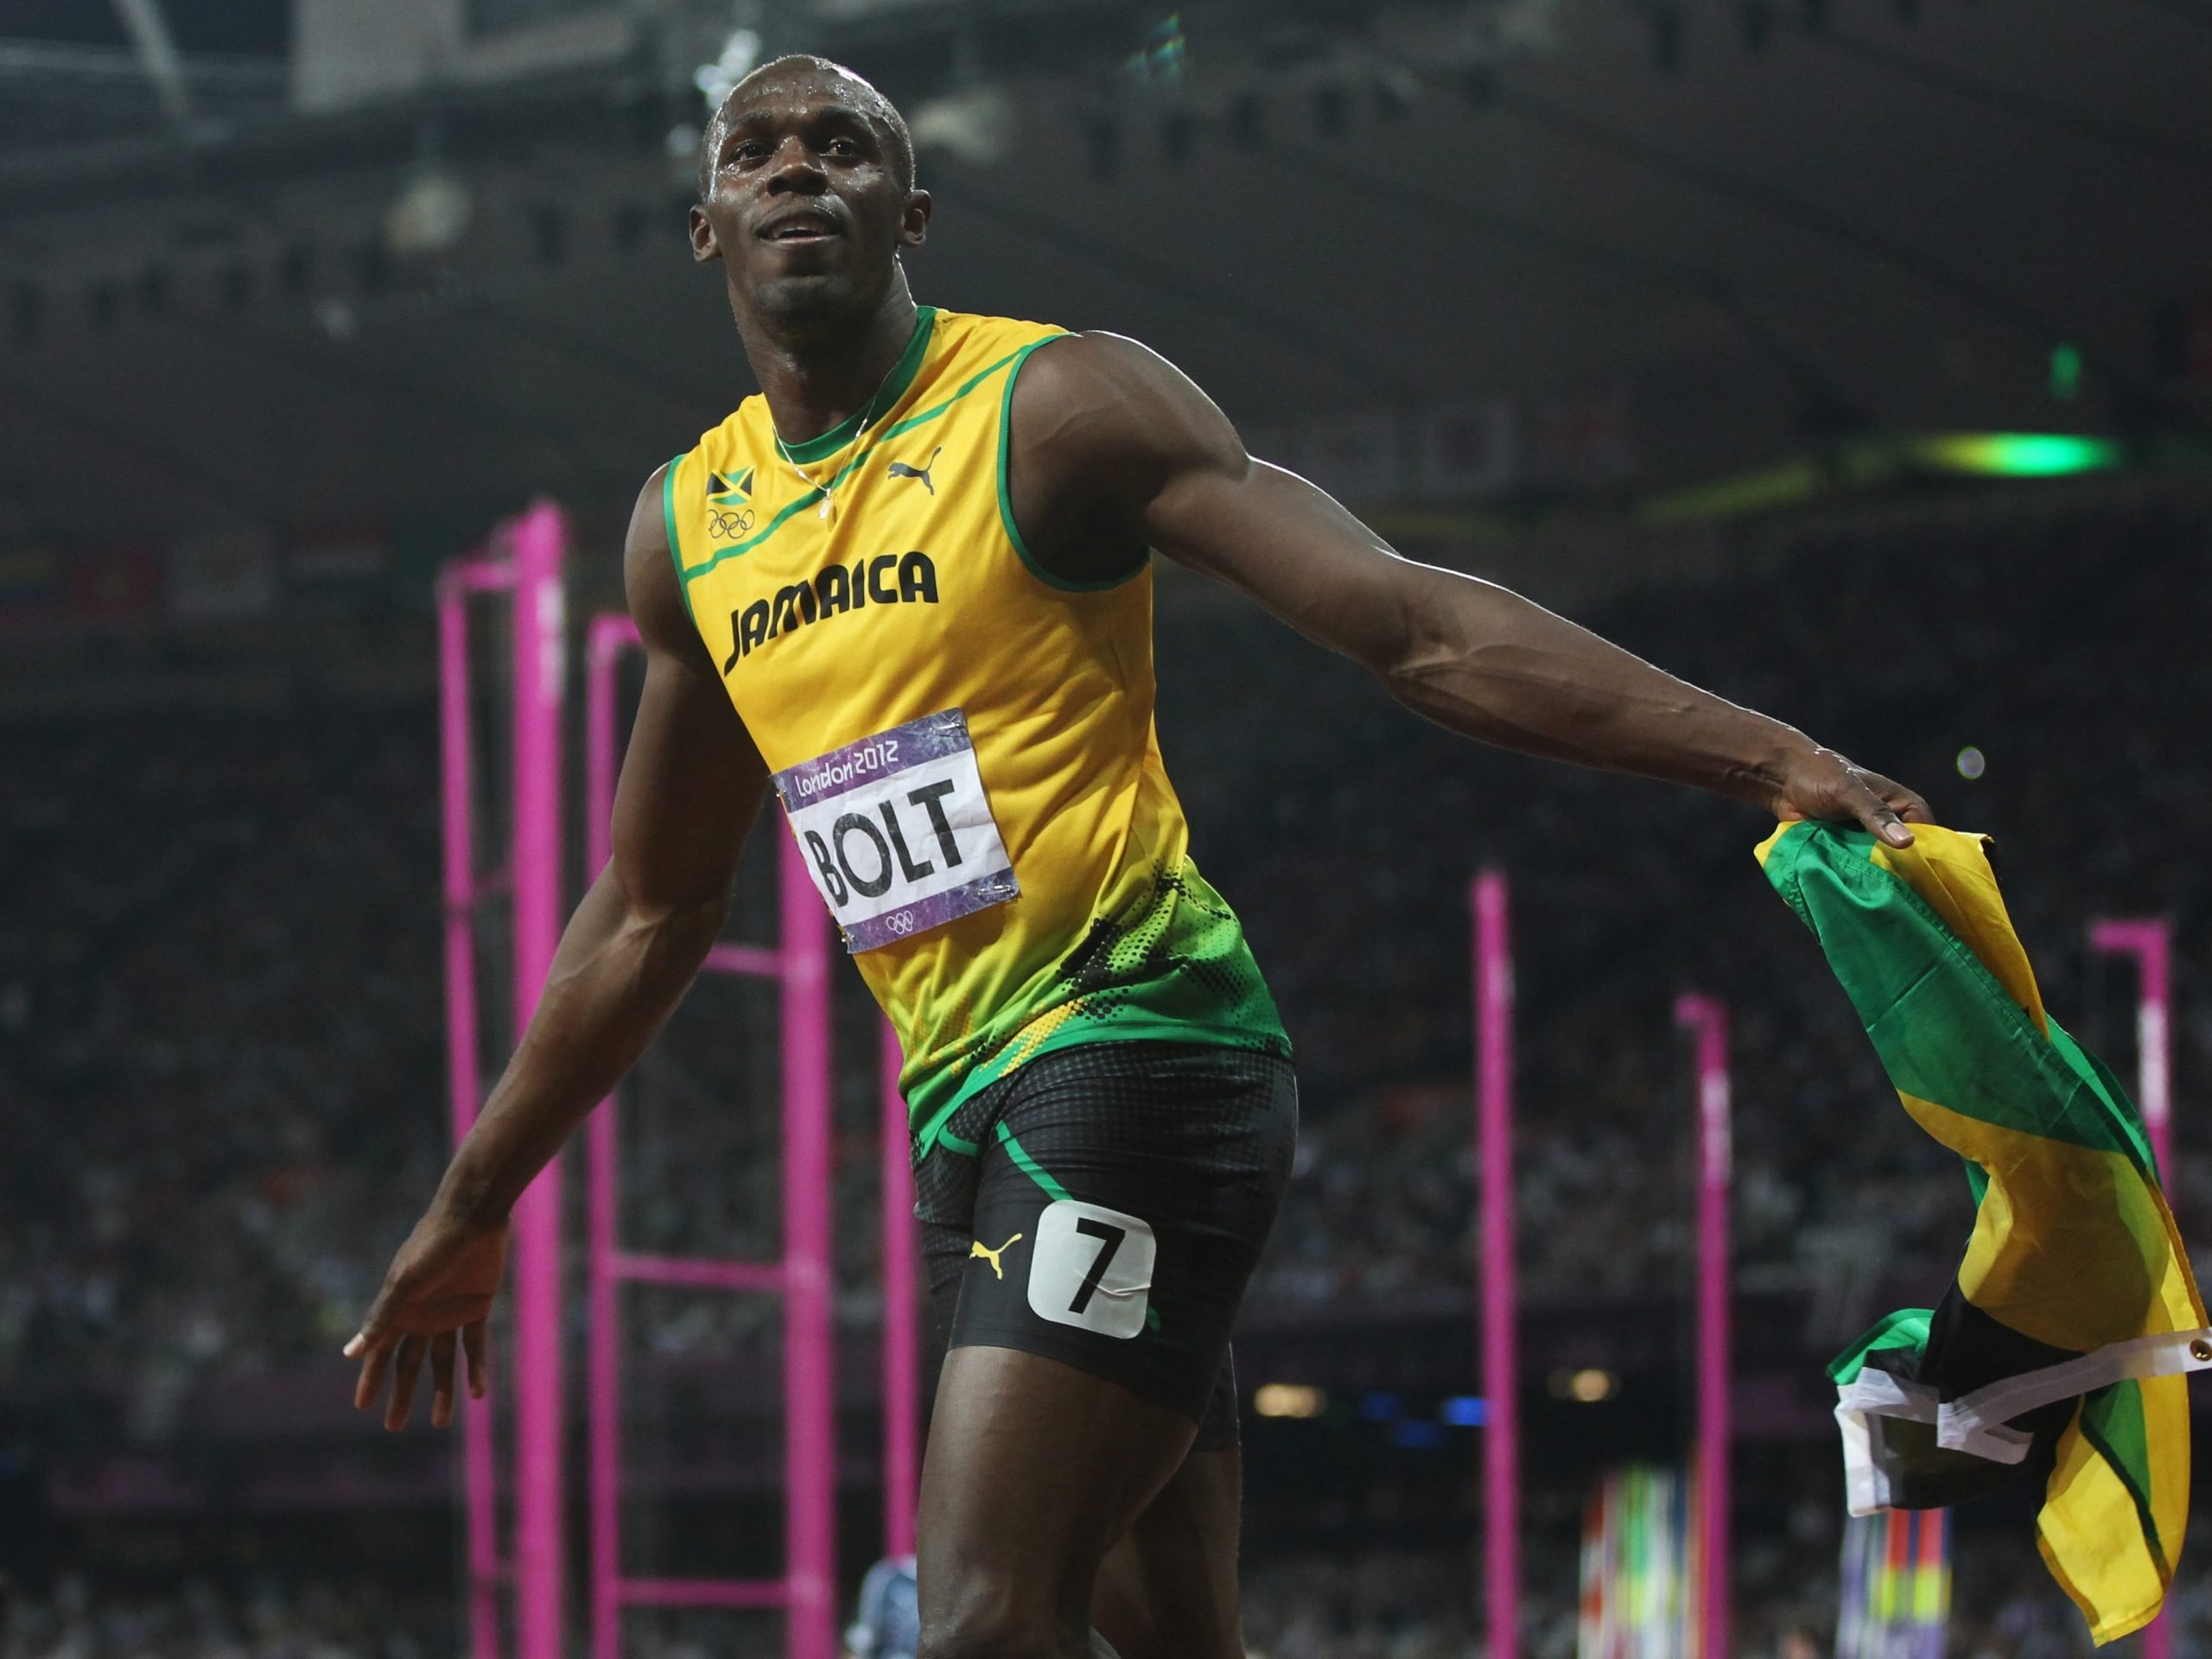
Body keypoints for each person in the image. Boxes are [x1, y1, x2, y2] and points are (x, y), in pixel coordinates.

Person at [343, 54, 1929, 1659]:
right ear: (705, 227)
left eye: (840, 147)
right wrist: (478, 1203)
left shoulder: (1057, 406)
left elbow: (1412, 627)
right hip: (962, 1116)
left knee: (973, 1620)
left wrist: (1770, 757)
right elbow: (655, 904)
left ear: (914, 208)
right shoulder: (687, 530)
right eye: (754, 153)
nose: (795, 172)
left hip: (1134, 1055)